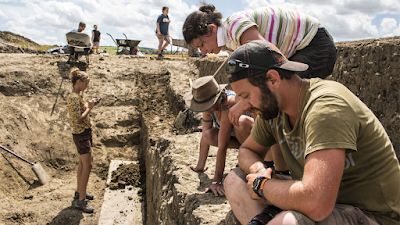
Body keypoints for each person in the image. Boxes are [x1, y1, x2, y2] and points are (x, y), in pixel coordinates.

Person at [223, 40, 400, 224]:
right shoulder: (273, 108)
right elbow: (246, 151)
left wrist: (262, 187)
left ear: (273, 79)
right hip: (326, 206)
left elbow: (316, 203)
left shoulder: (326, 107)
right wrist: (259, 171)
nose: (245, 107)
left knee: (288, 222)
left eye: (246, 96)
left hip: (372, 217)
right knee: (235, 181)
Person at [183, 4, 337, 79]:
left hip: (314, 45)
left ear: (212, 29)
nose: (202, 52)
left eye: (201, 45)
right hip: (298, 51)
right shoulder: (231, 44)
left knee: (286, 92)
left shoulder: (235, 26)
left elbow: (268, 56)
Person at [185, 76, 254, 196]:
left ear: (216, 99)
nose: (205, 109)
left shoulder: (228, 104)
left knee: (241, 122)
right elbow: (204, 136)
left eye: (207, 105)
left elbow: (223, 146)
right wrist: (200, 166)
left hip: (255, 137)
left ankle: (253, 155)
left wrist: (217, 181)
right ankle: (246, 150)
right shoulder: (208, 109)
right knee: (208, 135)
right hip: (239, 138)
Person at [67, 67, 101, 213]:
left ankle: (80, 191)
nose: (87, 86)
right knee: (88, 166)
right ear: (79, 82)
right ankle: (81, 201)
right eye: (86, 83)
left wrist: (89, 104)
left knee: (82, 165)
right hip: (81, 134)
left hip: (83, 134)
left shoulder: (77, 97)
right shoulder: (74, 98)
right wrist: (90, 107)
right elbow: (78, 120)